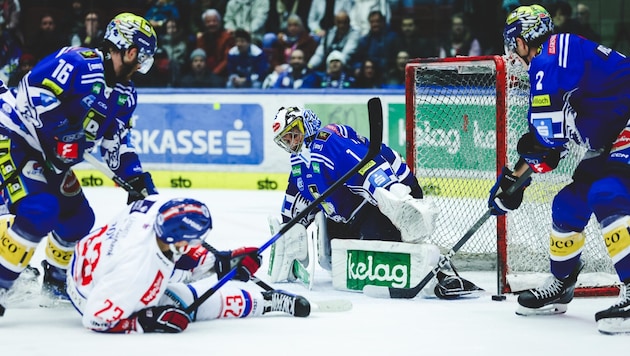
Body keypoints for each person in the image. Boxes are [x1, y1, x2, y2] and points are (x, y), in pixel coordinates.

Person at [0, 13, 160, 316]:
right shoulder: (77, 62)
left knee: (78, 219)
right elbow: (33, 91)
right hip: (16, 139)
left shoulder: (126, 95)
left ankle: (56, 280)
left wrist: (136, 178)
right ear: (128, 50)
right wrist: (60, 130)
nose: (142, 65)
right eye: (142, 57)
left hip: (51, 158)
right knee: (39, 211)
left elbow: (117, 140)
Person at [491, 4, 630, 334]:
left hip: (623, 132)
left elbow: (546, 146)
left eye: (514, 44)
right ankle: (562, 283)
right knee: (567, 203)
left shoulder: (548, 61)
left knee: (607, 194)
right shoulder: (557, 57)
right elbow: (546, 146)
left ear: (525, 41)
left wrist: (514, 183)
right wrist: (515, 180)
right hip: (613, 138)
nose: (513, 53)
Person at [268, 106, 483, 299]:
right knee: (336, 259)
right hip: (351, 212)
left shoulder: (328, 142)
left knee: (380, 251)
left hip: (389, 194)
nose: (292, 142)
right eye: (286, 140)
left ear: (306, 124)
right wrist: (288, 231)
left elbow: (369, 168)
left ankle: (438, 274)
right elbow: (298, 197)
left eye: (294, 134)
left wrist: (397, 201)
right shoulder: (299, 160)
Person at [66, 195, 310, 333]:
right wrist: (148, 320)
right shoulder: (137, 274)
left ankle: (260, 297)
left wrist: (221, 262)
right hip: (90, 295)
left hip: (95, 261)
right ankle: (265, 303)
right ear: (175, 241)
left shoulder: (153, 207)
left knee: (177, 285)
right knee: (185, 301)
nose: (198, 244)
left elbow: (175, 257)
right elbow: (95, 319)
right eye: (194, 241)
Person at [195, 9, 235, 80]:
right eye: (208, 22)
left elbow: (227, 60)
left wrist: (213, 74)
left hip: (223, 73)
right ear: (204, 24)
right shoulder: (201, 38)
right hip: (204, 72)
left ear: (219, 22)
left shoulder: (227, 37)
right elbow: (200, 57)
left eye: (214, 21)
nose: (211, 24)